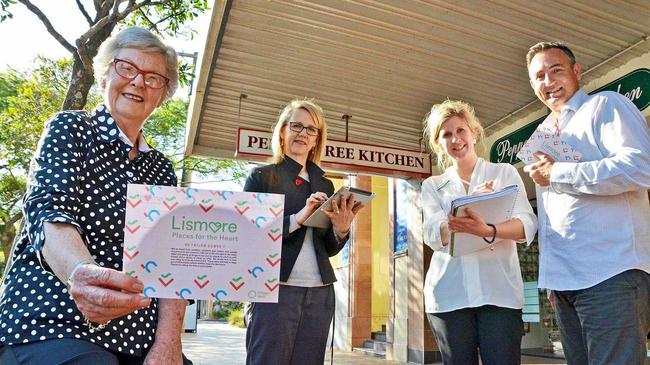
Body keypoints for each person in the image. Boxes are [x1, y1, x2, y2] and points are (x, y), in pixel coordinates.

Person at [0, 27, 192, 364]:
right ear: (104, 77)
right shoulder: (70, 129)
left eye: (153, 78)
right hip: (53, 319)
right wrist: (80, 275)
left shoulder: (161, 169)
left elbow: (172, 262)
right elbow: (48, 210)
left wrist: (168, 345)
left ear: (162, 95)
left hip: (138, 335)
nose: (138, 82)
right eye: (126, 68)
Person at [523, 41, 650, 365]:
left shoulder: (607, 106)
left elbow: (639, 168)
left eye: (556, 70)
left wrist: (559, 172)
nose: (548, 82)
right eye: (539, 76)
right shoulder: (542, 133)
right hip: (565, 284)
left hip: (610, 274)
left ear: (576, 71)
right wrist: (552, 280)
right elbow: (555, 214)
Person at [243, 99, 364, 365]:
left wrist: (342, 229)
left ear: (316, 140)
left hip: (320, 294)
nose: (302, 133)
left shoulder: (326, 183)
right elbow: (251, 235)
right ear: (282, 132)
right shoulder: (261, 177)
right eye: (296, 125)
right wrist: (298, 218)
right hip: (274, 290)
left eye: (311, 129)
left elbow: (329, 247)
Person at [421, 100, 537, 365]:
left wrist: (488, 229)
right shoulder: (433, 185)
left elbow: (526, 223)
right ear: (439, 143)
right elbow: (432, 233)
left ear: (474, 132)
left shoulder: (503, 173)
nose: (455, 139)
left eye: (460, 130)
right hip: (449, 295)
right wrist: (467, 206)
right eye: (446, 134)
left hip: (499, 292)